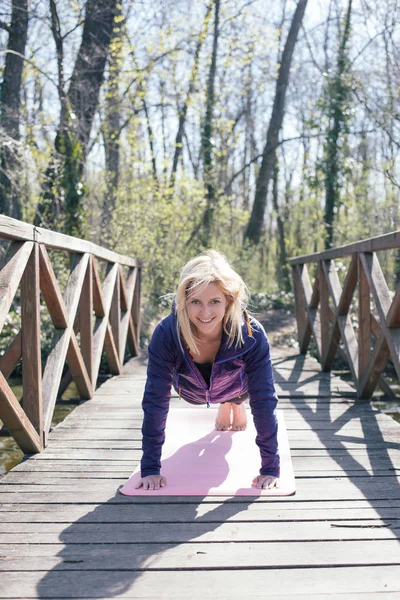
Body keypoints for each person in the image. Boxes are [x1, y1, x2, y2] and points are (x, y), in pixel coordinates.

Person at [135, 250, 280, 491]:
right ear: (184, 301)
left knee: (219, 475)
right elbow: (155, 401)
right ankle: (227, 403)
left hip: (237, 387)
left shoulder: (252, 335)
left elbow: (264, 398)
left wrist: (270, 467)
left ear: (229, 301)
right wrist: (150, 468)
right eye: (195, 302)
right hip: (191, 392)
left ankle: (231, 403)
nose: (205, 313)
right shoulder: (167, 334)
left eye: (214, 302)